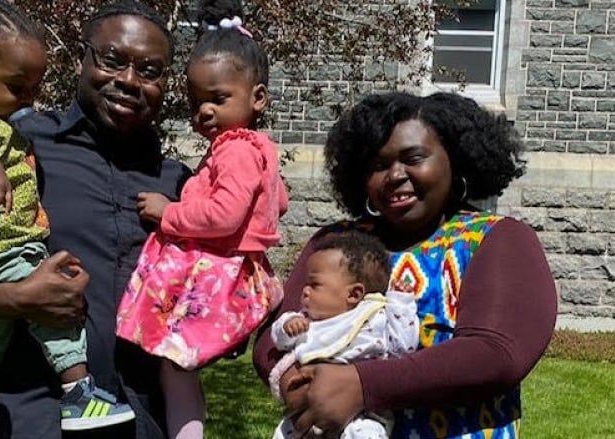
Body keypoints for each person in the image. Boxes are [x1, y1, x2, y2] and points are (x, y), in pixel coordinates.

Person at [0, 1, 191, 438]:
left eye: (150, 70)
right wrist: (17, 298)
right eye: (112, 60)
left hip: (144, 422)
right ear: (82, 59)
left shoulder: (180, 186)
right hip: (34, 421)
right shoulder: (19, 148)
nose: (130, 81)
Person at [253, 91, 558, 439]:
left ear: (454, 160)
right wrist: (297, 383)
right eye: (378, 165)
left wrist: (362, 386)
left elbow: (497, 354)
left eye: (413, 158)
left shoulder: (497, 239)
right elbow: (275, 340)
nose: (395, 175)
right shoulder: (336, 243)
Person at [115, 1, 288, 437]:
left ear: (258, 97)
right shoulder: (258, 150)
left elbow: (223, 217)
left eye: (217, 98)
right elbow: (277, 203)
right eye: (196, 102)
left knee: (175, 363)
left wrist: (168, 213)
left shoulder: (235, 150)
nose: (204, 112)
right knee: (177, 367)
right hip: (231, 269)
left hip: (219, 275)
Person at [269, 230, 418, 439]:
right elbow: (279, 340)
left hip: (363, 413)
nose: (304, 291)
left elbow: (402, 348)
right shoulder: (307, 319)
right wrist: (287, 327)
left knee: (366, 434)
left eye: (314, 284)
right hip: (308, 408)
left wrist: (401, 304)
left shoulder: (374, 316)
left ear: (354, 294)